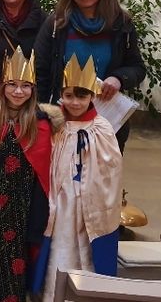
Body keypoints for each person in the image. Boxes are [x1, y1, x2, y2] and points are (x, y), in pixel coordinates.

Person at [0, 47, 60, 302]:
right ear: (3, 87)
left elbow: (44, 170)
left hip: (22, 206)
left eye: (25, 86)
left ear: (33, 89)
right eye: (12, 85)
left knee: (14, 258)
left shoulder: (40, 123)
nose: (18, 91)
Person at [33, 0, 145, 153]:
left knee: (101, 176)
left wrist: (119, 78)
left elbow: (137, 67)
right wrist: (43, 111)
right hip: (63, 115)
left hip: (105, 117)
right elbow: (39, 68)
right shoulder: (57, 22)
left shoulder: (121, 23)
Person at [38, 55, 122, 302]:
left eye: (82, 96)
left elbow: (111, 169)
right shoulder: (54, 124)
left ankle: (85, 292)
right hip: (60, 200)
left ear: (92, 97)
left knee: (84, 248)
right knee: (60, 246)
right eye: (69, 96)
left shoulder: (102, 127)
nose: (75, 103)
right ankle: (53, 292)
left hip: (89, 201)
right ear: (61, 95)